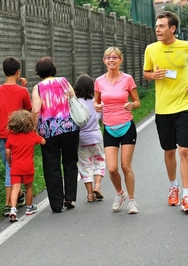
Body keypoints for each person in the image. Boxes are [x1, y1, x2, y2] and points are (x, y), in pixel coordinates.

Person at [143, 11, 188, 213]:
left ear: (172, 28)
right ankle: (173, 187)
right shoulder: (151, 49)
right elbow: (146, 72)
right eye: (157, 26)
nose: (157, 29)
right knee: (168, 150)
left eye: (161, 26)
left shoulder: (187, 47)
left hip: (184, 105)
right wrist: (153, 75)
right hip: (163, 108)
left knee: (183, 150)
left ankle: (187, 195)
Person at [94, 46, 141, 214]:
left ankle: (132, 201)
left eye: (115, 57)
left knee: (125, 166)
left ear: (121, 60)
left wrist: (132, 105)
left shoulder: (127, 79)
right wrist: (97, 106)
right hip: (109, 128)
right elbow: (96, 102)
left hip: (126, 126)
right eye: (108, 57)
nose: (111, 60)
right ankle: (120, 194)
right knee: (112, 168)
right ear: (104, 61)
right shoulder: (99, 81)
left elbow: (137, 101)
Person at [32, 56, 80, 213]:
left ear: (39, 72)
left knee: (51, 166)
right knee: (70, 163)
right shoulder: (64, 82)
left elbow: (36, 109)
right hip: (69, 129)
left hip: (49, 132)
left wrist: (34, 128)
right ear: (54, 69)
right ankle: (70, 198)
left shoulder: (38, 87)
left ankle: (56, 204)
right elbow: (73, 99)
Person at [0, 56, 32, 216]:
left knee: (9, 166)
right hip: (18, 135)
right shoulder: (22, 91)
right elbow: (28, 109)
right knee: (11, 167)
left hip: (1, 133)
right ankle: (15, 197)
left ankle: (9, 202)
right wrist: (24, 87)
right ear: (18, 71)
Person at [5, 110, 46, 222]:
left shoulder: (11, 137)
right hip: (28, 166)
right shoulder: (31, 135)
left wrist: (9, 162)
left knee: (15, 188)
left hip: (16, 167)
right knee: (28, 187)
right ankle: (29, 207)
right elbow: (43, 142)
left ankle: (13, 209)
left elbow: (8, 152)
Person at [73, 74, 105, 202]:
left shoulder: (75, 104)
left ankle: (90, 194)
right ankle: (97, 186)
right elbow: (103, 119)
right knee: (99, 162)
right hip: (96, 137)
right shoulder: (97, 103)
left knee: (85, 165)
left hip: (81, 139)